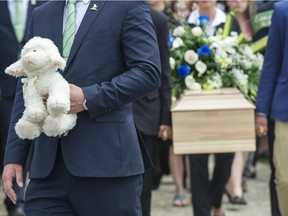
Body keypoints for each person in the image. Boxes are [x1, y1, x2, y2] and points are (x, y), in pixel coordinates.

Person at [2, 1, 161, 215]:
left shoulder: (127, 6)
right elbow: (28, 85)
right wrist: (14, 155)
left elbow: (147, 72)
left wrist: (88, 97)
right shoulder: (42, 13)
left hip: (107, 165)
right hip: (47, 169)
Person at [187, 1, 234, 215]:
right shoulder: (185, 24)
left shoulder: (230, 23)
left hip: (226, 98)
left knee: (226, 154)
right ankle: (201, 211)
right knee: (197, 159)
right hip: (194, 98)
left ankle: (216, 201)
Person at [0, 1, 45, 215]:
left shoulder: (42, 6)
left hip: (30, 89)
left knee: (24, 135)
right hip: (2, 86)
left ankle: (17, 199)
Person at [133, 6, 172, 216]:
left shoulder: (157, 19)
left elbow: (164, 68)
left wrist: (166, 118)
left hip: (147, 114)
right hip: (109, 112)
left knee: (144, 188)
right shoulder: (100, 11)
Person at [255, 2, 288, 216]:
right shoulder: (283, 10)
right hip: (285, 109)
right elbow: (272, 61)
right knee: (284, 179)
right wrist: (261, 111)